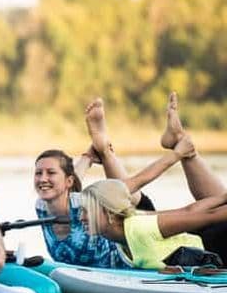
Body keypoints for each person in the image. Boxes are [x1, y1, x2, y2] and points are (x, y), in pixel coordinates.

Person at [34, 97, 186, 268]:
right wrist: (87, 158)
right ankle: (101, 148)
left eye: (50, 173)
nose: (42, 179)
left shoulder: (85, 202)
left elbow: (139, 180)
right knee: (120, 190)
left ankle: (104, 148)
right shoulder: (41, 206)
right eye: (38, 173)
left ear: (68, 181)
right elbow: (69, 180)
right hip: (83, 280)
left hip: (134, 249)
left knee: (124, 190)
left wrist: (177, 155)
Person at [80, 93, 227, 268]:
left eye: (87, 211)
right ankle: (107, 151)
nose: (81, 217)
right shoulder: (126, 225)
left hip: (214, 251)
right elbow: (185, 210)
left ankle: (107, 152)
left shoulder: (139, 227)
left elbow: (197, 213)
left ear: (110, 214)